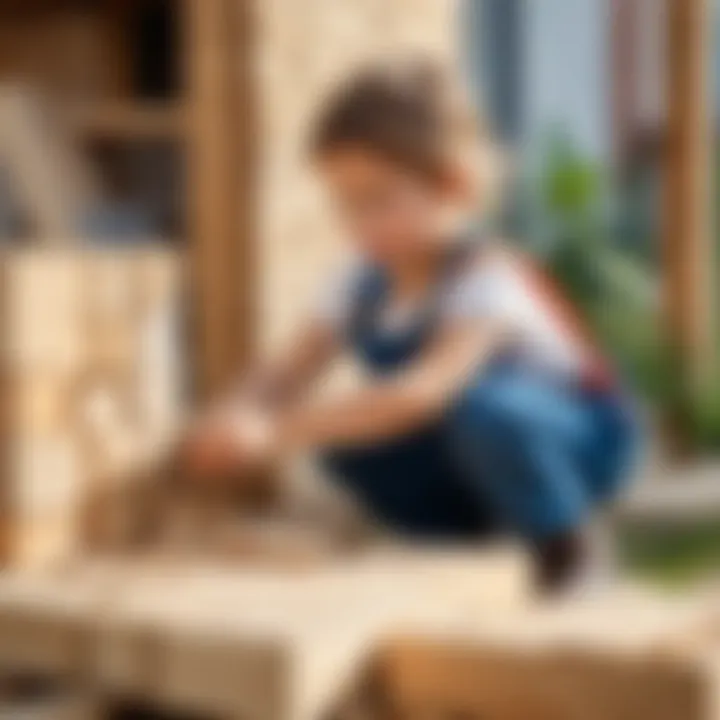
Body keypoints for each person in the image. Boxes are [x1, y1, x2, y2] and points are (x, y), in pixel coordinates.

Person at [181, 57, 638, 593]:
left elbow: (421, 394)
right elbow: (287, 371)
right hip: (466, 448)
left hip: (578, 440)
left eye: (377, 199)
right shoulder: (358, 284)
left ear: (451, 187)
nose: (358, 222)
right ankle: (468, 548)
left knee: (485, 409)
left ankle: (567, 553)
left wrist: (274, 432)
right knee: (346, 441)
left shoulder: (487, 277)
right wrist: (236, 410)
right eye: (345, 203)